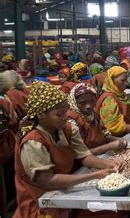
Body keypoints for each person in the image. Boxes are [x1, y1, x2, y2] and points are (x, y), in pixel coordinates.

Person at [14, 81, 120, 218]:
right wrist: (94, 176)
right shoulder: (33, 141)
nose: (65, 117)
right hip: (41, 202)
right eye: (59, 114)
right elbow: (47, 181)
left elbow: (84, 156)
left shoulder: (67, 129)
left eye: (65, 111)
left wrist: (108, 164)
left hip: (65, 190)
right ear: (41, 115)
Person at [68, 83, 127, 155]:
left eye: (92, 101)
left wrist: (116, 139)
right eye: (82, 103)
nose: (88, 106)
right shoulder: (72, 120)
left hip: (102, 154)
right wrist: (108, 147)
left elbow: (104, 133)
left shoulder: (93, 113)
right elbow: (80, 153)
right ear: (74, 102)